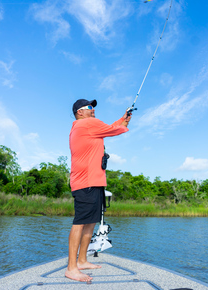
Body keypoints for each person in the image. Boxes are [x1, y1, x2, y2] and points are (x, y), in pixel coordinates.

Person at [65, 98, 131, 282]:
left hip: (94, 182)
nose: (93, 109)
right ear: (80, 112)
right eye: (89, 107)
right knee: (80, 222)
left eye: (93, 107)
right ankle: (71, 268)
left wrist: (124, 118)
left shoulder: (88, 127)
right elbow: (114, 129)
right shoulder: (86, 124)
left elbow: (112, 127)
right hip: (85, 183)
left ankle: (82, 260)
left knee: (91, 222)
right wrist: (124, 120)